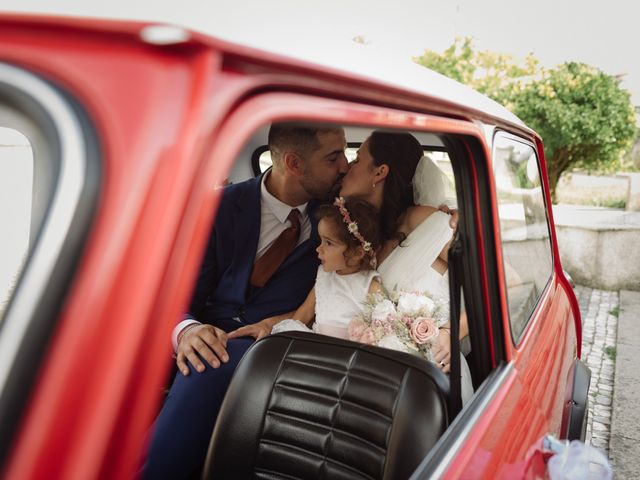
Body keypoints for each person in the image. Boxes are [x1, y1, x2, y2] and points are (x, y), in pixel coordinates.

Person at [142, 123, 349, 480]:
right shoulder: (217, 207)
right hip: (208, 337)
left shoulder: (342, 217)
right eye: (333, 157)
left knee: (212, 366)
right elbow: (174, 293)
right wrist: (186, 330)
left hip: (276, 349)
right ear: (294, 164)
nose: (345, 165)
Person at [339, 130, 473, 402]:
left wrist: (449, 333)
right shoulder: (360, 233)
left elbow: (498, 282)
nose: (346, 168)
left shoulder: (425, 220)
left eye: (356, 159)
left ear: (379, 173)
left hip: (431, 376)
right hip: (376, 374)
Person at [272, 197, 383, 338]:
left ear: (357, 253)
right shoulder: (324, 276)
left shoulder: (369, 287)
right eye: (321, 240)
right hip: (316, 345)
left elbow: (381, 330)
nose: (319, 249)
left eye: (329, 243)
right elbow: (305, 313)